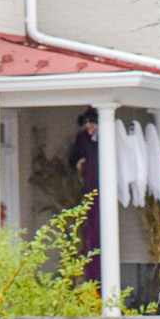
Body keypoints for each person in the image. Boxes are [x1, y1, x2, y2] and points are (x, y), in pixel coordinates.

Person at [69, 109, 101, 284]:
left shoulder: (102, 140)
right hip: (88, 185)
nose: (89, 127)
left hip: (98, 185)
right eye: (87, 123)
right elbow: (73, 158)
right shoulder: (82, 139)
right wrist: (79, 163)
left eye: (92, 123)